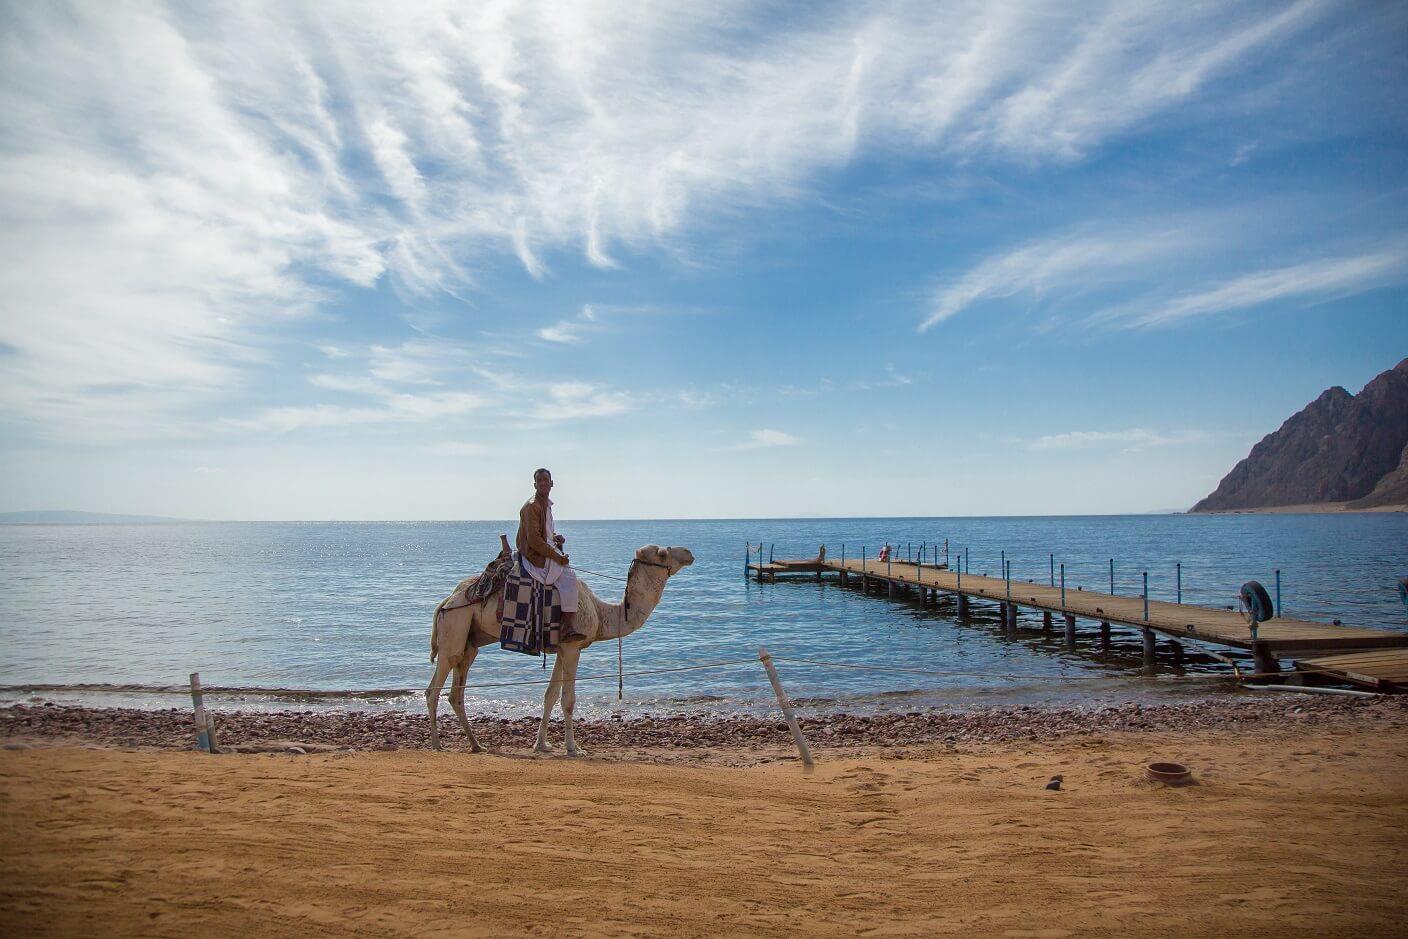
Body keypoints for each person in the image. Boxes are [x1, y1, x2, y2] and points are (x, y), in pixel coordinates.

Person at [516, 468, 585, 642]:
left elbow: (544, 534)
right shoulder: (532, 506)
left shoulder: (545, 505)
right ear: (535, 484)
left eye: (546, 480)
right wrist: (557, 557)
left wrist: (555, 538)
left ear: (552, 483)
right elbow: (534, 541)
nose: (543, 483)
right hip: (534, 556)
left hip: (542, 549)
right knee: (569, 577)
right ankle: (567, 626)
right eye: (540, 481)